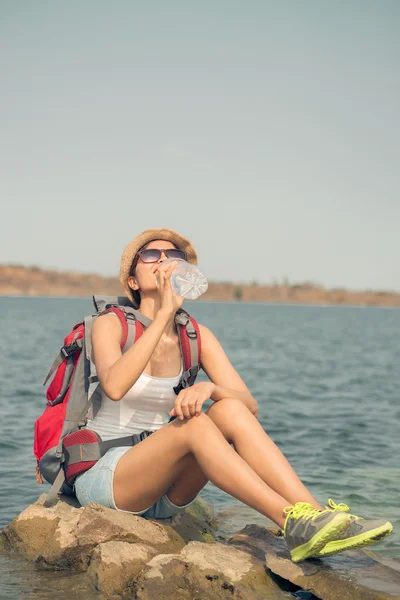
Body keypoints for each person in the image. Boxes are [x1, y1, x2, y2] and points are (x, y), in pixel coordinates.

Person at [74, 228, 393, 563]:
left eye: (174, 256)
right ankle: (288, 521)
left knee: (229, 410)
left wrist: (210, 388)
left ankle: (315, 517)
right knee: (196, 425)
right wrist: (165, 312)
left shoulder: (196, 335)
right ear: (133, 281)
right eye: (152, 255)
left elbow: (249, 406)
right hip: (109, 478)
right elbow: (114, 386)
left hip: (167, 490)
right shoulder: (111, 324)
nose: (165, 261)